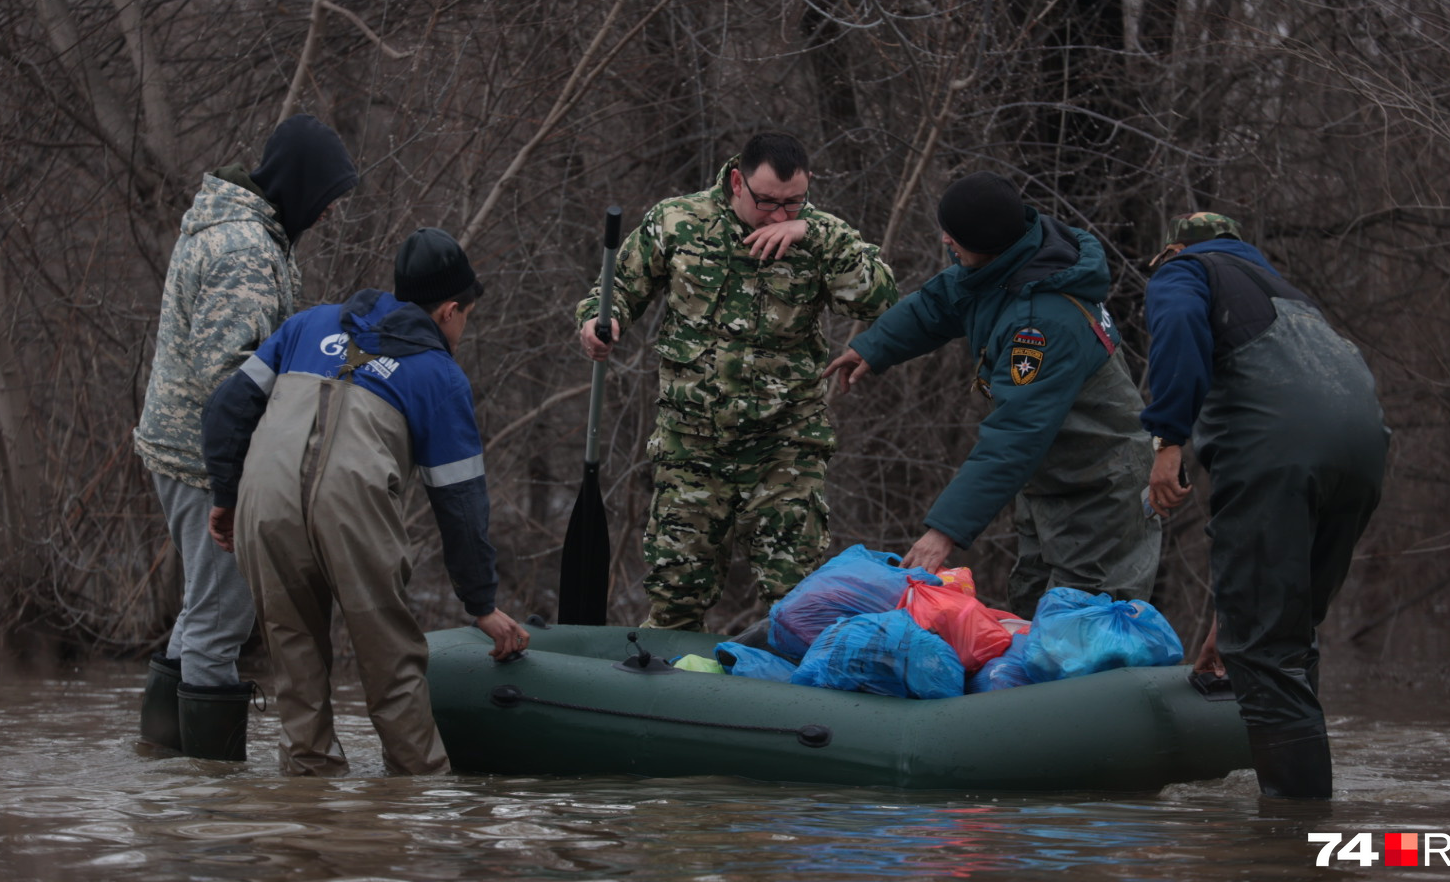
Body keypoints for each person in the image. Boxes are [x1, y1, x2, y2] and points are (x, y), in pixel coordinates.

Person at [201, 227, 530, 776]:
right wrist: (481, 604)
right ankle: (416, 800)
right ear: (449, 311)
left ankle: (309, 811)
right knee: (392, 665)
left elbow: (224, 410)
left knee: (295, 665)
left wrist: (227, 496)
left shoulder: (306, 325)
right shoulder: (439, 376)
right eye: (466, 317)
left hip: (265, 496)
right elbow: (461, 506)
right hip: (351, 507)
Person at [577, 132, 897, 631]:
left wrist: (812, 233)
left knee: (800, 600)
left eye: (794, 201)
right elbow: (617, 287)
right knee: (675, 596)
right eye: (767, 202)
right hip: (692, 447)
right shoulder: (678, 221)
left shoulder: (819, 234)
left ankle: (797, 704)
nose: (778, 215)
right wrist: (601, 322)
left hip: (785, 447)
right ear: (736, 182)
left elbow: (881, 300)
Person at [823, 172, 1159, 620]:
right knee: (1031, 605)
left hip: (1100, 489)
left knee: (1085, 629)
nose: (945, 239)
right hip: (1053, 479)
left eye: (955, 235)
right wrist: (872, 347)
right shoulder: (1007, 263)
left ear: (987, 242)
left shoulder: (1040, 325)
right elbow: (941, 302)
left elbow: (1014, 436)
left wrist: (944, 531)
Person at [1140, 212, 1388, 799]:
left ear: (1177, 247)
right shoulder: (1292, 298)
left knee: (1266, 651)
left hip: (1276, 449)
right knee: (1289, 633)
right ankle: (1311, 821)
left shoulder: (1186, 270)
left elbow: (1175, 323)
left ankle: (1293, 834)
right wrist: (1233, 620)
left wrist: (1168, 438)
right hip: (1363, 450)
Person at [133, 114, 358, 758]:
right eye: (326, 197)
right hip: (206, 460)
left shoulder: (248, 231)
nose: (327, 212)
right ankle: (212, 788)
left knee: (202, 608)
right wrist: (237, 483)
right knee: (220, 618)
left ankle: (163, 759)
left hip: (183, 449)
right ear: (301, 186)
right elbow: (230, 382)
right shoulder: (245, 252)